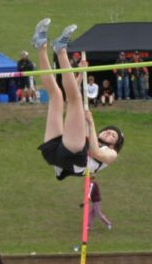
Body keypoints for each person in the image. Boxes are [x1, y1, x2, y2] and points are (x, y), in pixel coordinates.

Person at [34, 18, 124, 181]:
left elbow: (96, 153)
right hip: (57, 152)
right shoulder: (86, 136)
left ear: (115, 144)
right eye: (109, 130)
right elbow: (72, 96)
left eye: (113, 136)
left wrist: (91, 123)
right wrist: (81, 74)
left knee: (75, 99)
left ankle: (61, 50)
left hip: (72, 158)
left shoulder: (111, 153)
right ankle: (41, 46)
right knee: (56, 95)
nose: (109, 132)